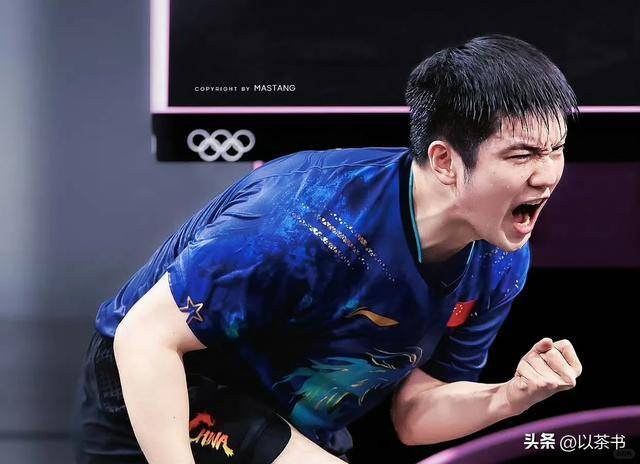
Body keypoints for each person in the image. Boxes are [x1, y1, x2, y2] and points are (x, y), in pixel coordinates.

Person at [72, 34, 583, 464]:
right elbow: (144, 338)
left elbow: (414, 417)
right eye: (522, 155)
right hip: (166, 387)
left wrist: (510, 396)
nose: (547, 175)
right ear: (445, 161)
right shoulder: (300, 217)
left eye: (556, 149)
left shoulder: (500, 259)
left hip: (292, 418)